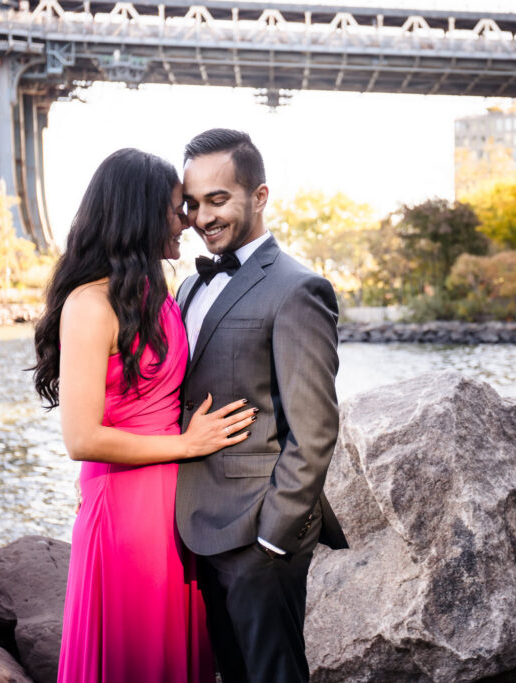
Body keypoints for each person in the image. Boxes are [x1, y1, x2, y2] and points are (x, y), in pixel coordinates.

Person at [31, 148, 257, 683]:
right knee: (132, 655)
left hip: (176, 506)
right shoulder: (90, 305)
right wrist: (187, 444)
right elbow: (82, 437)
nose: (188, 220)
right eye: (177, 207)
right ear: (139, 212)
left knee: (177, 656)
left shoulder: (159, 295)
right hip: (125, 509)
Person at [175, 128, 349, 683]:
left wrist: (274, 536)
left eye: (218, 200)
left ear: (260, 196)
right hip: (194, 531)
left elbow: (315, 427)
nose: (203, 217)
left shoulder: (298, 289)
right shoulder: (186, 288)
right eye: (194, 203)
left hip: (258, 536)